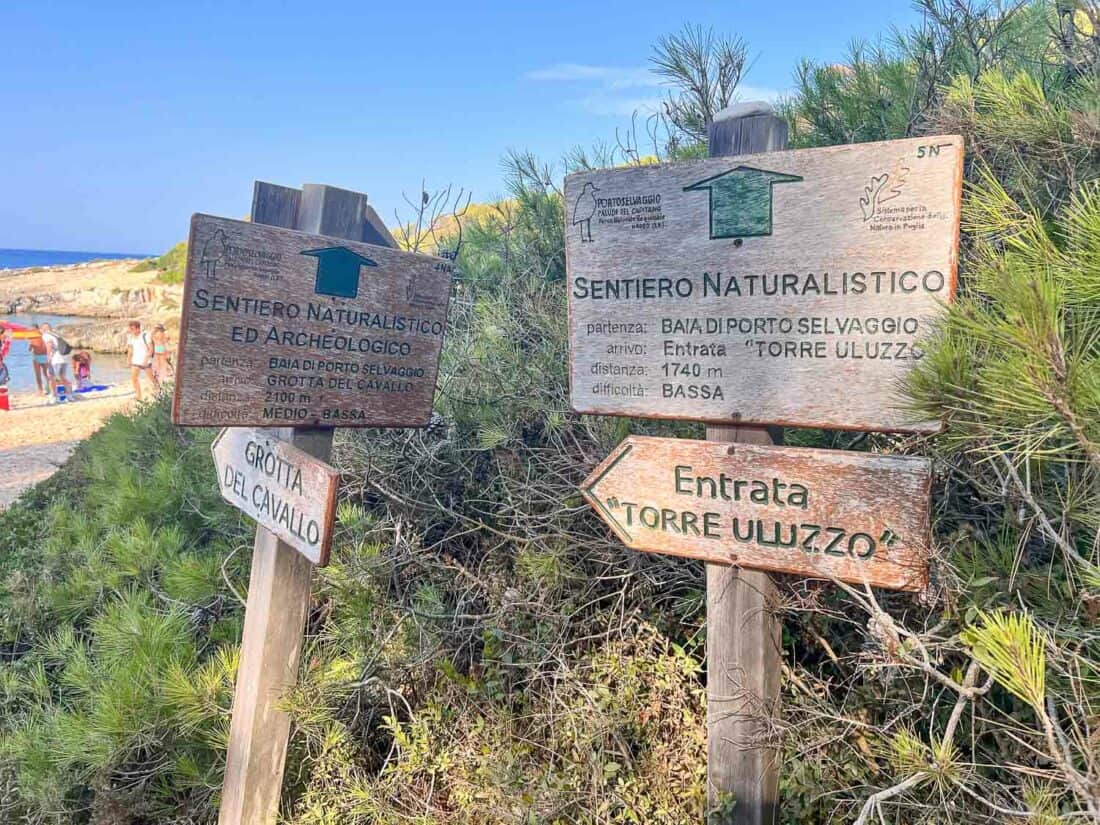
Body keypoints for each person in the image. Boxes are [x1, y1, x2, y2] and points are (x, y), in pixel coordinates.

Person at [39, 322, 73, 401]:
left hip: (55, 359)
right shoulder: (55, 334)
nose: (40, 331)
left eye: (41, 329)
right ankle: (69, 394)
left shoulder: (46, 335)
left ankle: (54, 395)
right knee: (62, 376)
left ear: (43, 329)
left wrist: (48, 357)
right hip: (64, 358)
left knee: (51, 377)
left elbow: (49, 345)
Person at [126, 320, 159, 402]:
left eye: (133, 329)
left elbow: (151, 349)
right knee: (134, 378)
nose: (131, 331)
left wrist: (146, 359)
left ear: (138, 328)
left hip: (145, 361)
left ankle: (158, 388)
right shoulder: (130, 337)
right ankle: (138, 396)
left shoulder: (145, 336)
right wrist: (128, 359)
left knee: (151, 377)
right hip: (136, 361)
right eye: (130, 329)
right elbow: (130, 349)